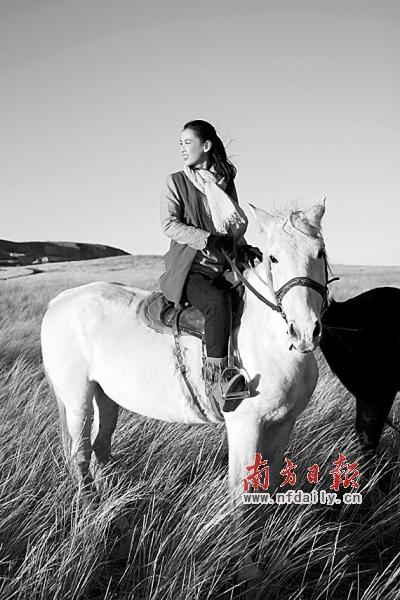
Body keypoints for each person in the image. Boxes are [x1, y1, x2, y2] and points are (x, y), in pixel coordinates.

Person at [159, 119, 262, 411]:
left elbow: (231, 225)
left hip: (225, 267)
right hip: (191, 270)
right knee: (217, 303)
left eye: (187, 142)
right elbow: (168, 224)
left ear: (205, 146)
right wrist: (207, 239)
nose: (182, 148)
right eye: (180, 143)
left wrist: (242, 247)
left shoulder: (225, 183)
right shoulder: (175, 181)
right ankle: (218, 384)